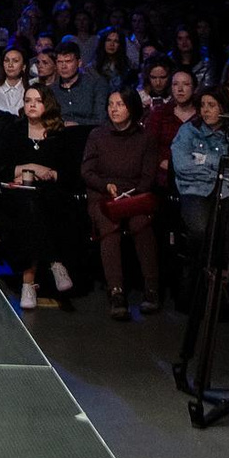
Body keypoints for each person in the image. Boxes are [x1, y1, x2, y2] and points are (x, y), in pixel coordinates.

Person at [0, 83, 82, 310]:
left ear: (47, 104)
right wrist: (30, 167)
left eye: (37, 101)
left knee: (38, 207)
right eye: (28, 100)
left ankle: (28, 283)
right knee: (28, 206)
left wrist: (51, 174)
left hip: (51, 195)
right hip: (17, 195)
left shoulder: (60, 135)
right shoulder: (14, 131)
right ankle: (54, 261)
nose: (31, 105)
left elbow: (70, 172)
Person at [81, 89, 164, 319]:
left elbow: (149, 176)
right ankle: (116, 292)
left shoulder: (145, 138)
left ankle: (152, 289)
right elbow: (87, 171)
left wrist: (132, 194)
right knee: (109, 227)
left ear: (132, 107)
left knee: (141, 224)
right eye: (110, 104)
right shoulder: (98, 135)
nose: (114, 109)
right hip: (104, 194)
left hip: (136, 196)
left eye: (120, 104)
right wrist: (106, 186)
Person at [171, 90, 229, 315]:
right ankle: (201, 287)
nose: (206, 110)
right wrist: (217, 168)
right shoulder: (188, 131)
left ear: (223, 107)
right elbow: (182, 166)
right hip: (195, 190)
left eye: (212, 105)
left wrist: (203, 162)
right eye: (203, 105)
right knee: (200, 229)